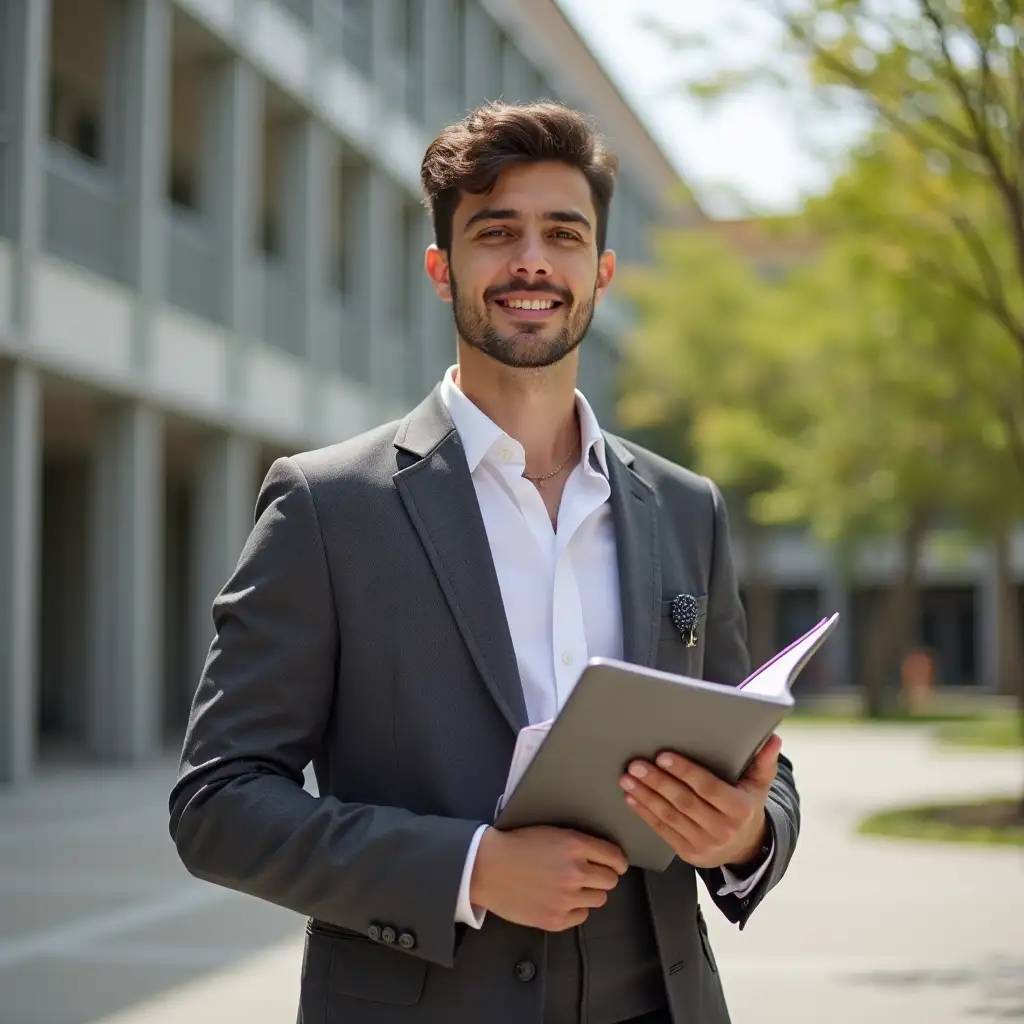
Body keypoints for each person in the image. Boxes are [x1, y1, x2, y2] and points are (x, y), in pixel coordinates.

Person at [169, 100, 799, 1024]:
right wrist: (471, 869)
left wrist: (745, 830)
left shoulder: (685, 507)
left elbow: (755, 755)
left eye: (563, 234)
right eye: (496, 233)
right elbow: (218, 803)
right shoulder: (326, 504)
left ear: (602, 271)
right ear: (441, 268)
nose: (532, 260)